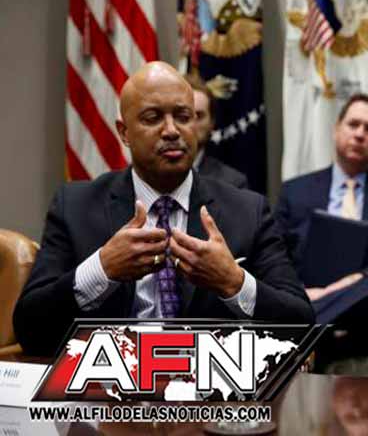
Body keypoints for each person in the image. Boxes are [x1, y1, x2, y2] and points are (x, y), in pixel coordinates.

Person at [14, 62, 313, 356]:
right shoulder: (75, 207)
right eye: (152, 118)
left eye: (183, 117)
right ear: (124, 132)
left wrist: (233, 282)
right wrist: (102, 269)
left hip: (209, 384)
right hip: (112, 382)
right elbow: (30, 330)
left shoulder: (247, 211)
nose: (171, 130)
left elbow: (302, 325)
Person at [275, 94, 368, 361]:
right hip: (306, 292)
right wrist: (299, 292)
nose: (359, 134)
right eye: (353, 124)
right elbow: (275, 257)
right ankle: (313, 315)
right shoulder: (295, 191)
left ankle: (309, 318)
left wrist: (354, 282)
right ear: (336, 130)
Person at [184, 73, 248, 189]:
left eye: (199, 116)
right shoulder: (152, 176)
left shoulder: (233, 184)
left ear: (212, 123)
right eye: (185, 116)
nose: (192, 124)